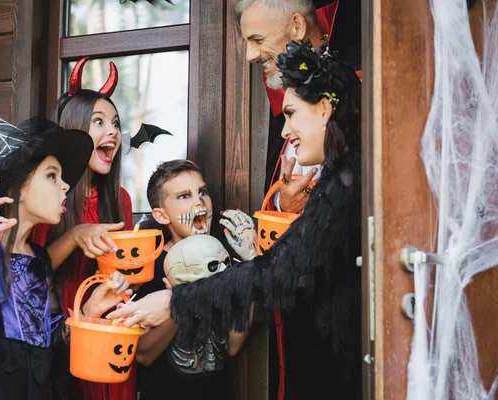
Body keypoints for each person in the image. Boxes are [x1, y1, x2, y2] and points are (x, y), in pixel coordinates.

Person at [108, 40, 363, 399]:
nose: (285, 130)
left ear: (324, 109)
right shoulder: (344, 176)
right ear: (160, 213)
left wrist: (176, 301)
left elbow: (279, 271)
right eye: (183, 196)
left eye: (290, 113)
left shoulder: (351, 178)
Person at [0, 86, 132, 399]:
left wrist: (90, 310)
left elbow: (49, 344)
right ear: (20, 188)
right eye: (52, 176)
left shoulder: (38, 260)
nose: (66, 184)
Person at [31, 58, 136, 400]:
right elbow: (31, 270)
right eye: (99, 122)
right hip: (64, 340)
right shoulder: (49, 198)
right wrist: (76, 237)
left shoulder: (120, 198)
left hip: (114, 337)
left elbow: (127, 269)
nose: (113, 132)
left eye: (116, 123)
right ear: (75, 132)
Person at [133, 159, 249, 400]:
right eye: (184, 196)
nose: (199, 201)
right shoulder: (149, 268)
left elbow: (233, 345)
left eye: (202, 192)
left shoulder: (223, 261)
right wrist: (182, 302)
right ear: (161, 215)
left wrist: (251, 266)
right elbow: (142, 354)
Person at [235, 0, 361, 213]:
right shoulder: (286, 105)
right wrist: (285, 205)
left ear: (297, 26)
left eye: (258, 40)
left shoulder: (362, 94)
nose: (250, 56)